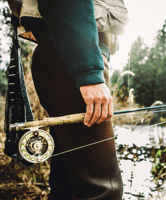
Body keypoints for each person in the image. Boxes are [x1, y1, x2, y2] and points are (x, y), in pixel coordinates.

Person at [7, 0, 128, 199]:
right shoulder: (82, 72)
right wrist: (88, 74)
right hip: (72, 66)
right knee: (101, 190)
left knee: (67, 186)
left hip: (69, 61)